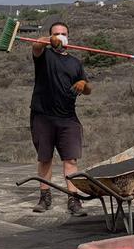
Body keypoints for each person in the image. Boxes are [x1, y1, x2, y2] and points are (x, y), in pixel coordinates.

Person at [29, 21, 92, 215]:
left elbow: (88, 89)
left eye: (64, 33)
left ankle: (73, 200)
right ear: (51, 36)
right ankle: (44, 197)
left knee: (70, 160)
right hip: (43, 116)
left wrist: (83, 83)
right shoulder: (44, 55)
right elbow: (36, 45)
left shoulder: (74, 62)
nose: (60, 36)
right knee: (45, 159)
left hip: (68, 117)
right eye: (57, 33)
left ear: (69, 37)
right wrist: (48, 40)